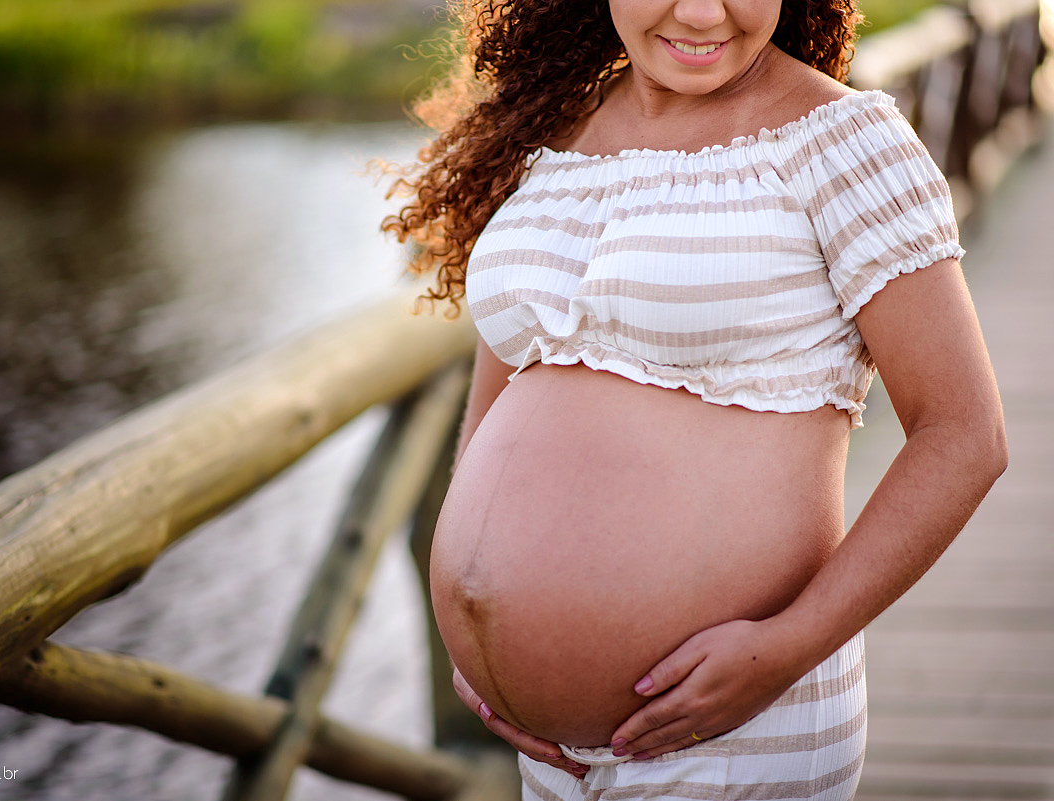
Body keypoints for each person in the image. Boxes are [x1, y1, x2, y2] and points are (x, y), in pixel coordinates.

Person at [382, 0, 1008, 798]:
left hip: (732, 732)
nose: (706, 12)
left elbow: (964, 433)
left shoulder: (845, 140)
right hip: (545, 755)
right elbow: (504, 384)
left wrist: (785, 649)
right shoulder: (553, 126)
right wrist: (475, 638)